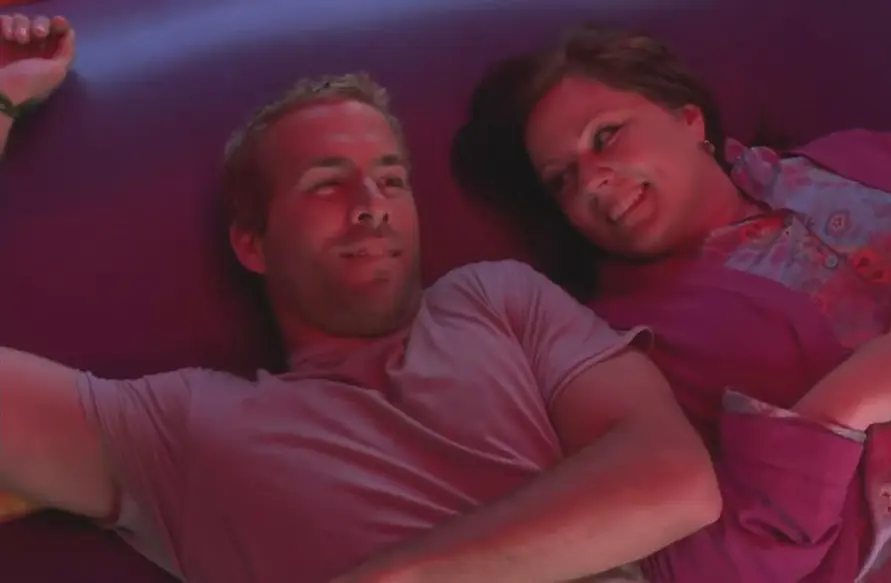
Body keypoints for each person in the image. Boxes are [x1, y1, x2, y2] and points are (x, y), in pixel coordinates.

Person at [0, 13, 725, 583]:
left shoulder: (498, 298)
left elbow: (676, 481)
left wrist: (400, 577)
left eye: (391, 178)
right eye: (326, 183)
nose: (373, 203)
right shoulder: (179, 429)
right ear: (253, 245)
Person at [453, 23, 891, 583]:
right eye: (562, 179)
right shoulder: (620, 347)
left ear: (688, 120)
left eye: (606, 136)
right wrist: (836, 410)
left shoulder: (859, 156)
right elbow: (703, 568)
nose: (592, 181)